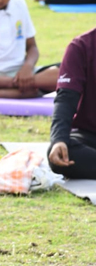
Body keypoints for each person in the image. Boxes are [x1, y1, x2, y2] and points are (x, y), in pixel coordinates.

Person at [48, 27, 96, 180]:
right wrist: (58, 140)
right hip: (90, 135)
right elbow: (65, 98)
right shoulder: (81, 46)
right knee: (63, 154)